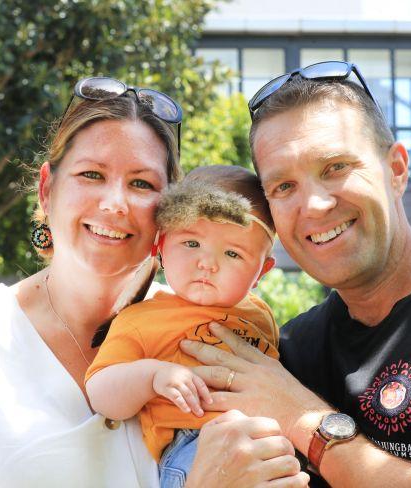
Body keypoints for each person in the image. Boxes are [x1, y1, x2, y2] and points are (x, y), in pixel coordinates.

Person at [0, 77, 308, 487]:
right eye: (92, 174)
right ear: (46, 190)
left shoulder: (213, 335)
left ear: (171, 213)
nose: (115, 204)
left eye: (141, 184)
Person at [179, 61, 411, 487]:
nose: (314, 206)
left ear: (396, 170)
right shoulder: (287, 350)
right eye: (283, 187)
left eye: (335, 167)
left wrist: (304, 418)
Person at [86, 165, 280, 486]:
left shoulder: (261, 315)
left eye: (232, 253)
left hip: (270, 441)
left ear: (262, 272)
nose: (208, 263)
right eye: (191, 244)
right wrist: (153, 376)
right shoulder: (141, 319)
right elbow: (100, 392)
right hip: (195, 446)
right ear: (161, 244)